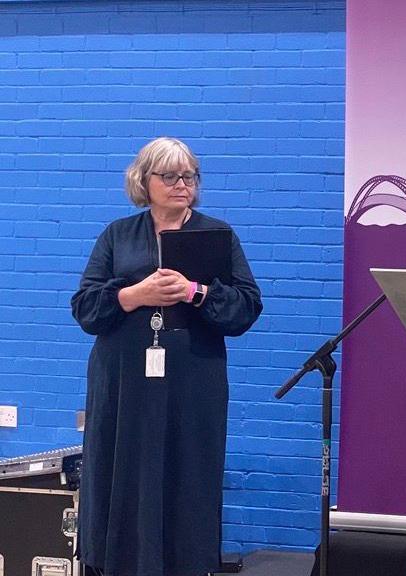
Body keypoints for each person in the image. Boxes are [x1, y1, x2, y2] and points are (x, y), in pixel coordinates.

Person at [71, 137, 263, 576]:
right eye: (171, 176)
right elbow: (85, 308)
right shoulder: (118, 235)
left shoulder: (217, 235)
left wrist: (196, 292)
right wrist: (135, 294)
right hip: (123, 378)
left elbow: (246, 307)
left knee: (187, 471)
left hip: (191, 380)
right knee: (122, 470)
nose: (182, 185)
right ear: (145, 180)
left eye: (189, 176)